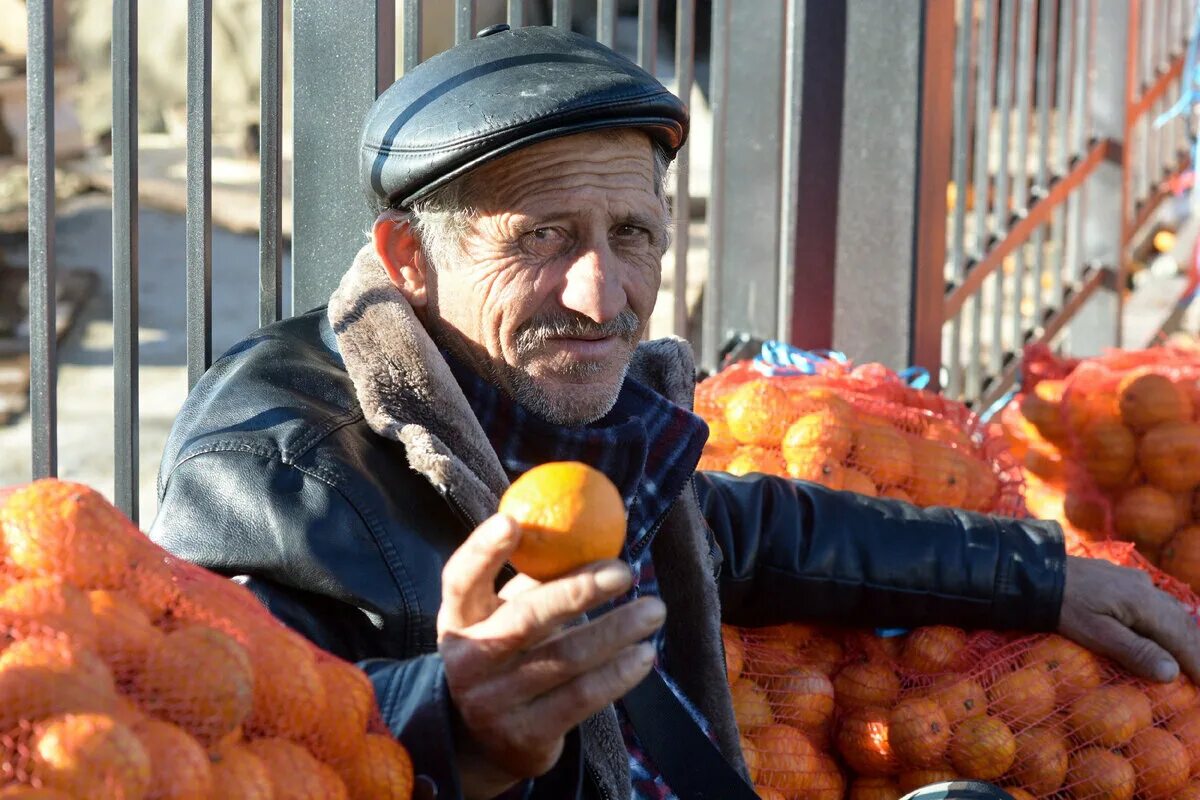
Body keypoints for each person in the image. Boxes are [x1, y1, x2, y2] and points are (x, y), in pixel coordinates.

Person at [150, 25, 1200, 800]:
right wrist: (454, 718)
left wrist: (1042, 573)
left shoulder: (538, 392)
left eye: (633, 235)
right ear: (409, 259)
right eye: (541, 237)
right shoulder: (272, 467)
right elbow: (229, 732)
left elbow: (737, 527)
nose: (601, 296)